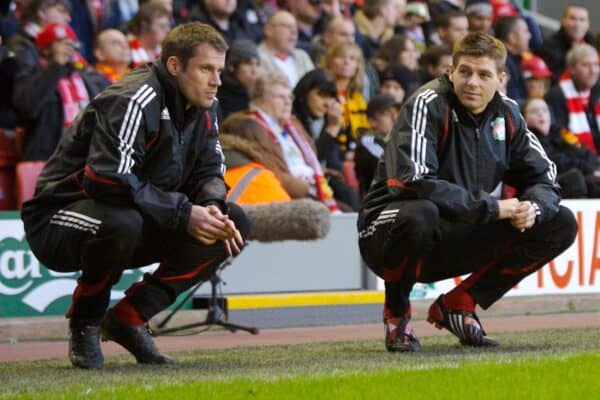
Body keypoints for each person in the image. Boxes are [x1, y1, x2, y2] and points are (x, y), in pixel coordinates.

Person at [21, 22, 248, 369]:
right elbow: (106, 177)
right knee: (120, 222)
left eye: (218, 70)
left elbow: (210, 172)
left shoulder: (204, 106)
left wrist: (211, 209)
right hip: (57, 217)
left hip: (134, 215)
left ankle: (128, 318)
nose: (216, 80)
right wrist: (184, 213)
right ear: (175, 66)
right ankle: (85, 323)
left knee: (233, 223)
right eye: (206, 69)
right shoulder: (134, 97)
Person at [357, 32, 577, 352]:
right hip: (385, 231)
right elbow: (413, 181)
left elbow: (546, 179)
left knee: (560, 222)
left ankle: (460, 303)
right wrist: (492, 208)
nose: (472, 82)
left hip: (455, 230)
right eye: (465, 72)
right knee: (421, 212)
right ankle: (397, 314)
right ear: (450, 71)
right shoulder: (426, 103)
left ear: (501, 79)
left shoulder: (509, 113)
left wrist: (534, 208)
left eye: (484, 74)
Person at [523, 97, 600, 199]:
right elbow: (557, 162)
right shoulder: (527, 139)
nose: (540, 114)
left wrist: (595, 166)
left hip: (580, 173)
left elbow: (582, 150)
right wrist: (589, 169)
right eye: (534, 111)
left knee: (594, 182)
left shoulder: (561, 132)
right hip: (549, 183)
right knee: (575, 178)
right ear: (524, 118)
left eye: (544, 110)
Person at [545, 44, 600, 155]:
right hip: (578, 162)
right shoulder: (556, 95)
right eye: (586, 65)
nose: (593, 71)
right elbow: (562, 135)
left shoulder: (597, 91)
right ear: (571, 69)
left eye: (596, 64)